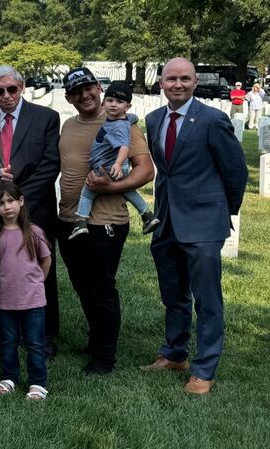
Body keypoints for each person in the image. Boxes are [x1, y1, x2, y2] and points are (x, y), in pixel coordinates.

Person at [143, 57, 248, 394]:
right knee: (173, 294)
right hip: (167, 221)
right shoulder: (154, 118)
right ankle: (175, 354)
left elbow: (236, 172)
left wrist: (221, 213)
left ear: (194, 82)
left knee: (207, 299)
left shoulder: (213, 120)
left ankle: (204, 369)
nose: (178, 84)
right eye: (171, 79)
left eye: (185, 79)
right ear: (161, 83)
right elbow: (166, 171)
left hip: (204, 223)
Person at [57, 67, 154, 375]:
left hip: (106, 223)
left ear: (99, 88)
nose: (85, 95)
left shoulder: (122, 123)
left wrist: (110, 187)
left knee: (101, 288)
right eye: (77, 91)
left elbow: (145, 170)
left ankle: (104, 357)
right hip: (70, 219)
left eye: (89, 88)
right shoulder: (68, 126)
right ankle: (96, 339)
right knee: (82, 285)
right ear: (69, 97)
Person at [0, 65, 60, 358]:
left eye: (12, 89)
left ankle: (45, 333)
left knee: (40, 267)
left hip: (35, 206)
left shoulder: (46, 117)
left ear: (22, 87)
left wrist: (17, 197)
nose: (6, 95)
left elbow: (51, 163)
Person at [0, 180, 51, 400]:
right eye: (1, 203)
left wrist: (39, 280)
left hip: (33, 300)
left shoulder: (33, 232)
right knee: (8, 341)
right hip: (4, 300)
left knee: (34, 342)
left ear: (21, 201)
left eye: (11, 201)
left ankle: (37, 382)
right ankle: (9, 376)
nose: (7, 207)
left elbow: (46, 259)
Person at [68, 81, 159, 240]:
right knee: (128, 191)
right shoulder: (124, 119)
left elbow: (124, 146)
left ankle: (80, 221)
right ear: (103, 104)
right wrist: (132, 117)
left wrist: (117, 164)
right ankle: (147, 215)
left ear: (127, 106)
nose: (114, 105)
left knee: (87, 193)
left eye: (119, 102)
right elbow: (131, 118)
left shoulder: (116, 126)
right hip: (114, 167)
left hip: (107, 167)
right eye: (110, 101)